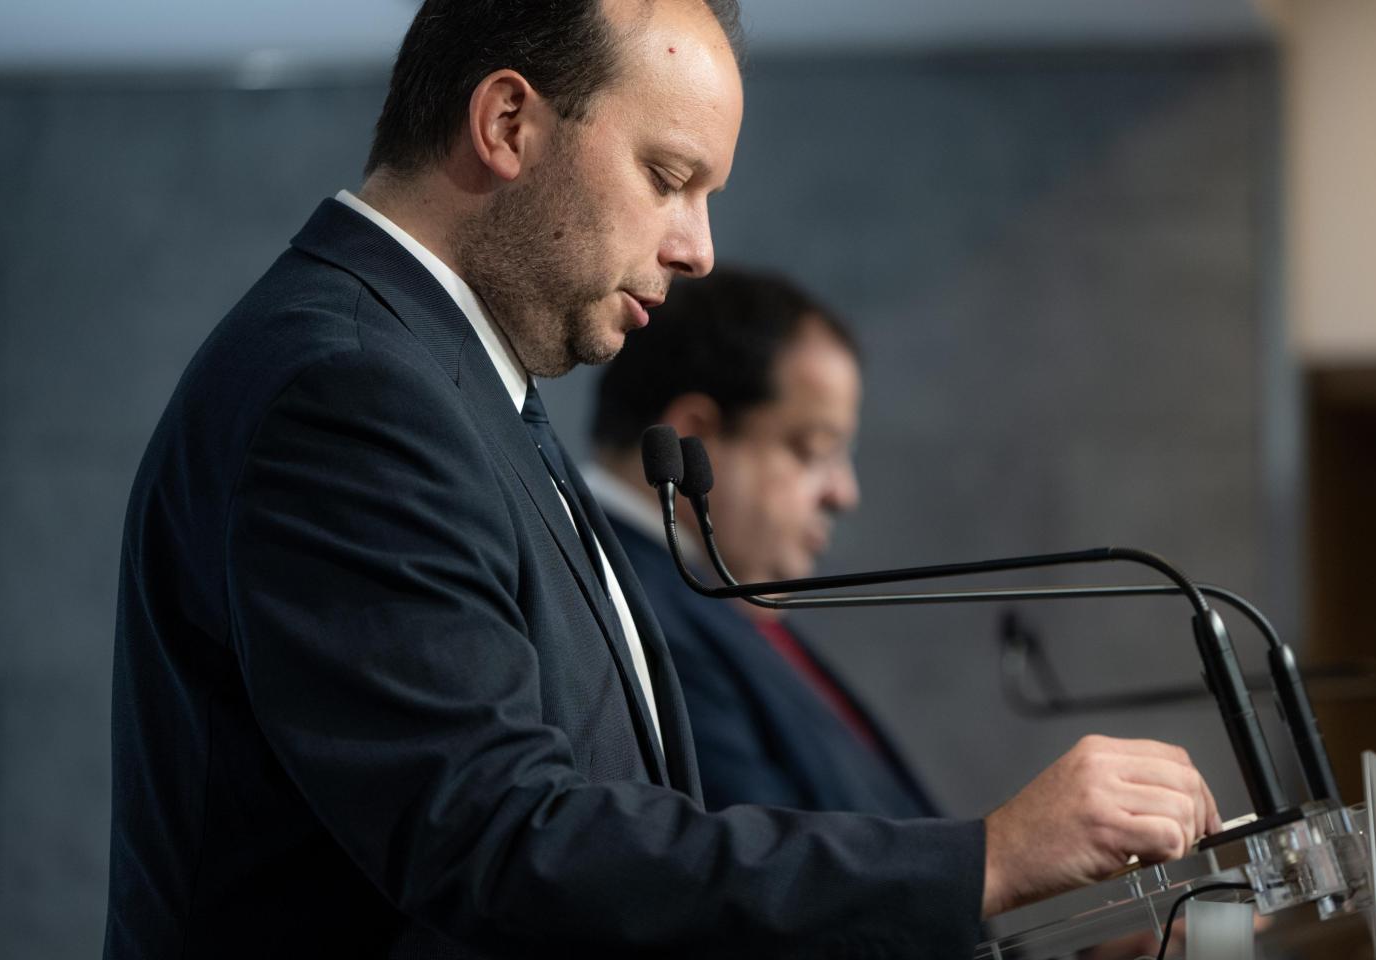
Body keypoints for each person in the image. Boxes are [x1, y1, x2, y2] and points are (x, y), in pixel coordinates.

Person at [104, 1, 1222, 957]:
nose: (698, 248)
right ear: (507, 124)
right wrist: (985, 861)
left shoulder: (452, 379)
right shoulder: (351, 388)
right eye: (669, 177)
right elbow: (500, 844)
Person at [586, 267, 938, 818]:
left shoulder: (708, 595)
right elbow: (770, 854)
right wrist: (1004, 847)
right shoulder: (626, 609)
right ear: (692, 441)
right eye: (811, 449)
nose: (844, 493)